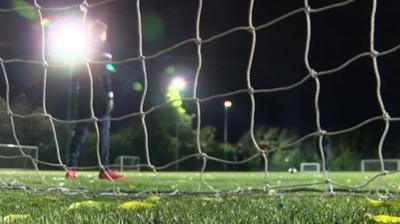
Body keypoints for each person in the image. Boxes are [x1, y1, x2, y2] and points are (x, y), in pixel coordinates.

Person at [65, 19, 125, 180]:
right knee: (103, 130)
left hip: (84, 92)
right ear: (101, 32)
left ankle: (70, 168)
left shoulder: (81, 48)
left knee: (80, 131)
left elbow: (75, 73)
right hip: (100, 93)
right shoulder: (103, 45)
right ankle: (104, 169)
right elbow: (106, 69)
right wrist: (110, 93)